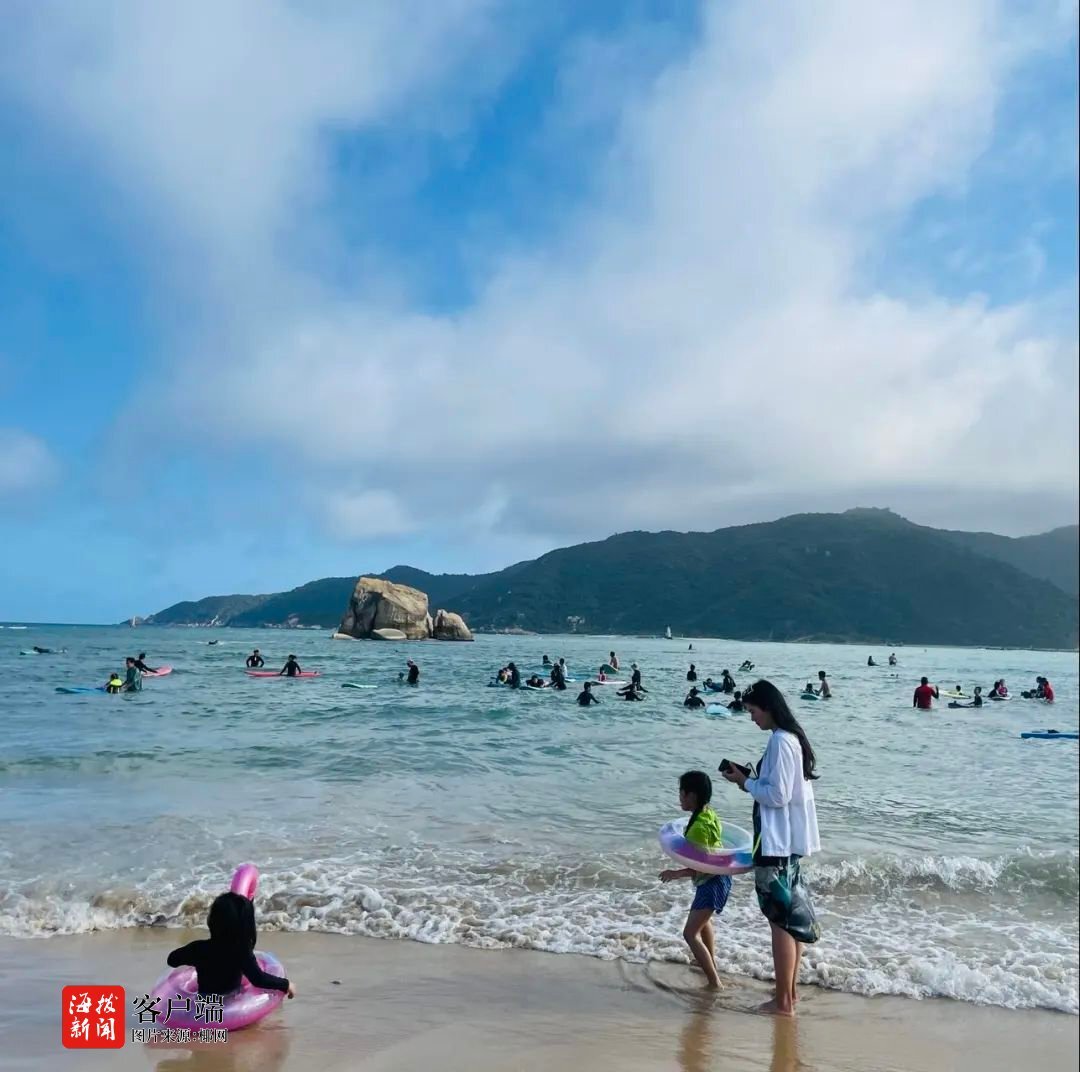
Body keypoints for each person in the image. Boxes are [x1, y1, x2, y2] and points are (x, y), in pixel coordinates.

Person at [722, 680, 821, 1016]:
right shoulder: (793, 739)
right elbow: (786, 791)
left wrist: (744, 782)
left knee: (778, 923)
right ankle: (788, 998)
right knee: (790, 921)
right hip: (789, 844)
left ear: (767, 707)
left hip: (775, 844)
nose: (751, 718)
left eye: (752, 711)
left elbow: (776, 797)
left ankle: (782, 1003)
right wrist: (751, 781)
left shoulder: (780, 741)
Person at [659, 771, 732, 990]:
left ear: (692, 796)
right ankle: (709, 963)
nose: (679, 798)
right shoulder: (708, 813)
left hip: (711, 882)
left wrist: (675, 873)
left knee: (689, 934)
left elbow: (699, 865)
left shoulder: (697, 830)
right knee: (704, 922)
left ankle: (714, 982)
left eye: (681, 794)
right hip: (717, 879)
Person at [166, 891, 295, 1000]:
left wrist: (192, 958)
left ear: (212, 921)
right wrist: (286, 984)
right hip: (230, 1002)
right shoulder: (242, 953)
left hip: (204, 1002)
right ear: (246, 926)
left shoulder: (198, 948)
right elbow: (259, 979)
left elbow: (172, 960)